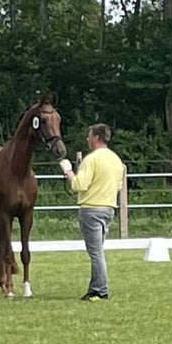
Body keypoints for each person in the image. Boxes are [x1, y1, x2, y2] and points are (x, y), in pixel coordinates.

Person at [59, 124, 125, 301]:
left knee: (96, 253)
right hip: (108, 209)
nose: (87, 139)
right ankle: (94, 287)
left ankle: (100, 290)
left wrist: (68, 171)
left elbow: (79, 185)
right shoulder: (116, 160)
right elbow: (119, 186)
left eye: (89, 136)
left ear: (96, 137)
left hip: (91, 209)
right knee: (98, 250)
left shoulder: (92, 160)